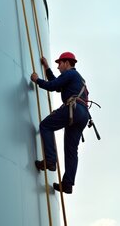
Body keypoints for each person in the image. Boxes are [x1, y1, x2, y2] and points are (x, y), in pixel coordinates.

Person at [30, 52, 90, 194]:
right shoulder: (76, 77)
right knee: (71, 151)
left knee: (46, 125)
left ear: (67, 63)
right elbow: (57, 85)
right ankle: (67, 184)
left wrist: (37, 80)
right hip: (82, 114)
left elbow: (52, 86)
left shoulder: (70, 74)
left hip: (73, 109)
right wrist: (47, 67)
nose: (58, 67)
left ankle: (50, 160)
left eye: (59, 63)